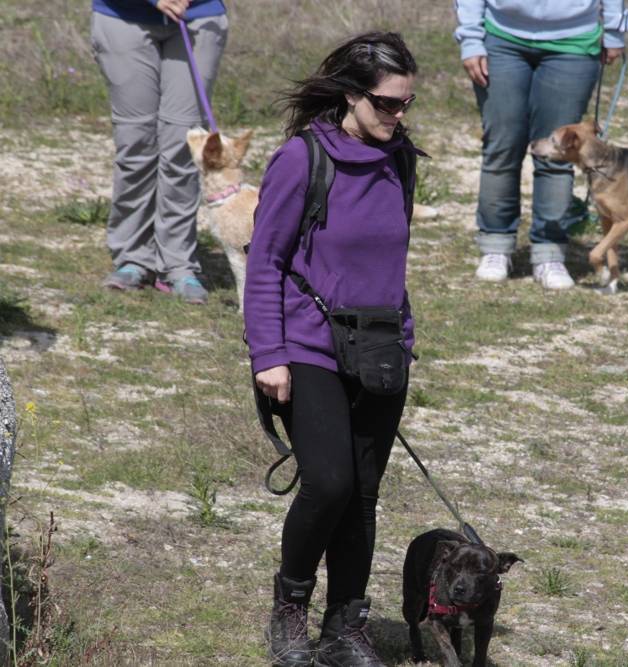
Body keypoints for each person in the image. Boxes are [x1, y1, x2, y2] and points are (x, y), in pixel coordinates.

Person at [244, 32, 422, 667]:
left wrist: (401, 338)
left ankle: (346, 625)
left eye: (406, 104)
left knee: (365, 494)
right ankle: (289, 610)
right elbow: (264, 261)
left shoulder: (401, 161)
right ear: (351, 95)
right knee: (329, 483)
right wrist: (269, 352)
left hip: (378, 350)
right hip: (307, 345)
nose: (398, 116)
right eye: (386, 104)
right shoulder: (301, 159)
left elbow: (389, 261)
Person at [455, 0, 628, 289]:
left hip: (574, 42)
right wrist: (471, 39)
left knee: (559, 155)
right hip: (501, 38)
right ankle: (495, 246)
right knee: (502, 146)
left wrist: (614, 30)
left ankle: (549, 252)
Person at [91, 0, 228, 304]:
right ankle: (133, 258)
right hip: (123, 16)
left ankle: (178, 265)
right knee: (136, 143)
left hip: (198, 19)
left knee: (184, 143)